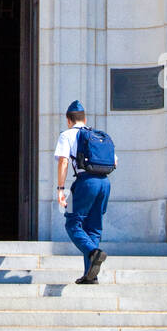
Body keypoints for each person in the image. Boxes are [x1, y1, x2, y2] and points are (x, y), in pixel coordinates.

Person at [54, 99, 115, 284]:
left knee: (72, 224)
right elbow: (115, 161)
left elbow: (64, 161)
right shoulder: (97, 136)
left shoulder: (67, 135)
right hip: (104, 183)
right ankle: (91, 275)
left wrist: (60, 189)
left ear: (68, 119)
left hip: (84, 183)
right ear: (85, 118)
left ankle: (93, 253)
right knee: (94, 227)